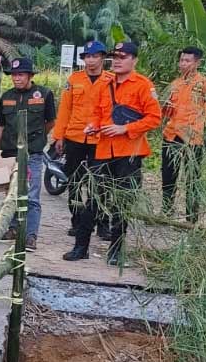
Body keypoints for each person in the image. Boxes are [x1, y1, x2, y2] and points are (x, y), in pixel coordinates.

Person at [63, 41, 162, 266]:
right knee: (94, 200)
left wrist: (125, 128)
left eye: (123, 56)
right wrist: (93, 125)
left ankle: (116, 252)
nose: (117, 60)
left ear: (134, 60)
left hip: (129, 153)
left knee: (122, 203)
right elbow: (99, 112)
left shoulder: (143, 85)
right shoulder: (106, 84)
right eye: (115, 56)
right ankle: (81, 247)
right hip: (103, 149)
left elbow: (154, 118)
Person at [0, 57, 56, 251]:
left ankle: (30, 236)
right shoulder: (6, 97)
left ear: (30, 76)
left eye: (20, 75)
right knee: (11, 193)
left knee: (32, 195)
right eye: (14, 75)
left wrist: (39, 138)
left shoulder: (44, 94)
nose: (16, 78)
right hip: (10, 153)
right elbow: (0, 126)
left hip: (33, 153)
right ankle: (11, 229)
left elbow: (51, 121)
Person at [52, 41, 112, 238]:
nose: (91, 60)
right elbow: (64, 109)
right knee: (75, 182)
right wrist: (58, 136)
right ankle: (77, 222)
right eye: (87, 56)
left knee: (101, 183)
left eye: (95, 56)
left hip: (101, 139)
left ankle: (102, 223)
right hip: (75, 137)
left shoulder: (111, 80)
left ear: (102, 58)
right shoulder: (74, 79)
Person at [161, 46, 206, 223]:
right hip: (170, 135)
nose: (183, 64)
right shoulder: (175, 84)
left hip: (192, 138)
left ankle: (191, 217)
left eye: (187, 61)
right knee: (168, 175)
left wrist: (196, 126)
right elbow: (167, 112)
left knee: (192, 179)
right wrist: (165, 107)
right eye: (182, 60)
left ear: (197, 63)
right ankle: (166, 210)